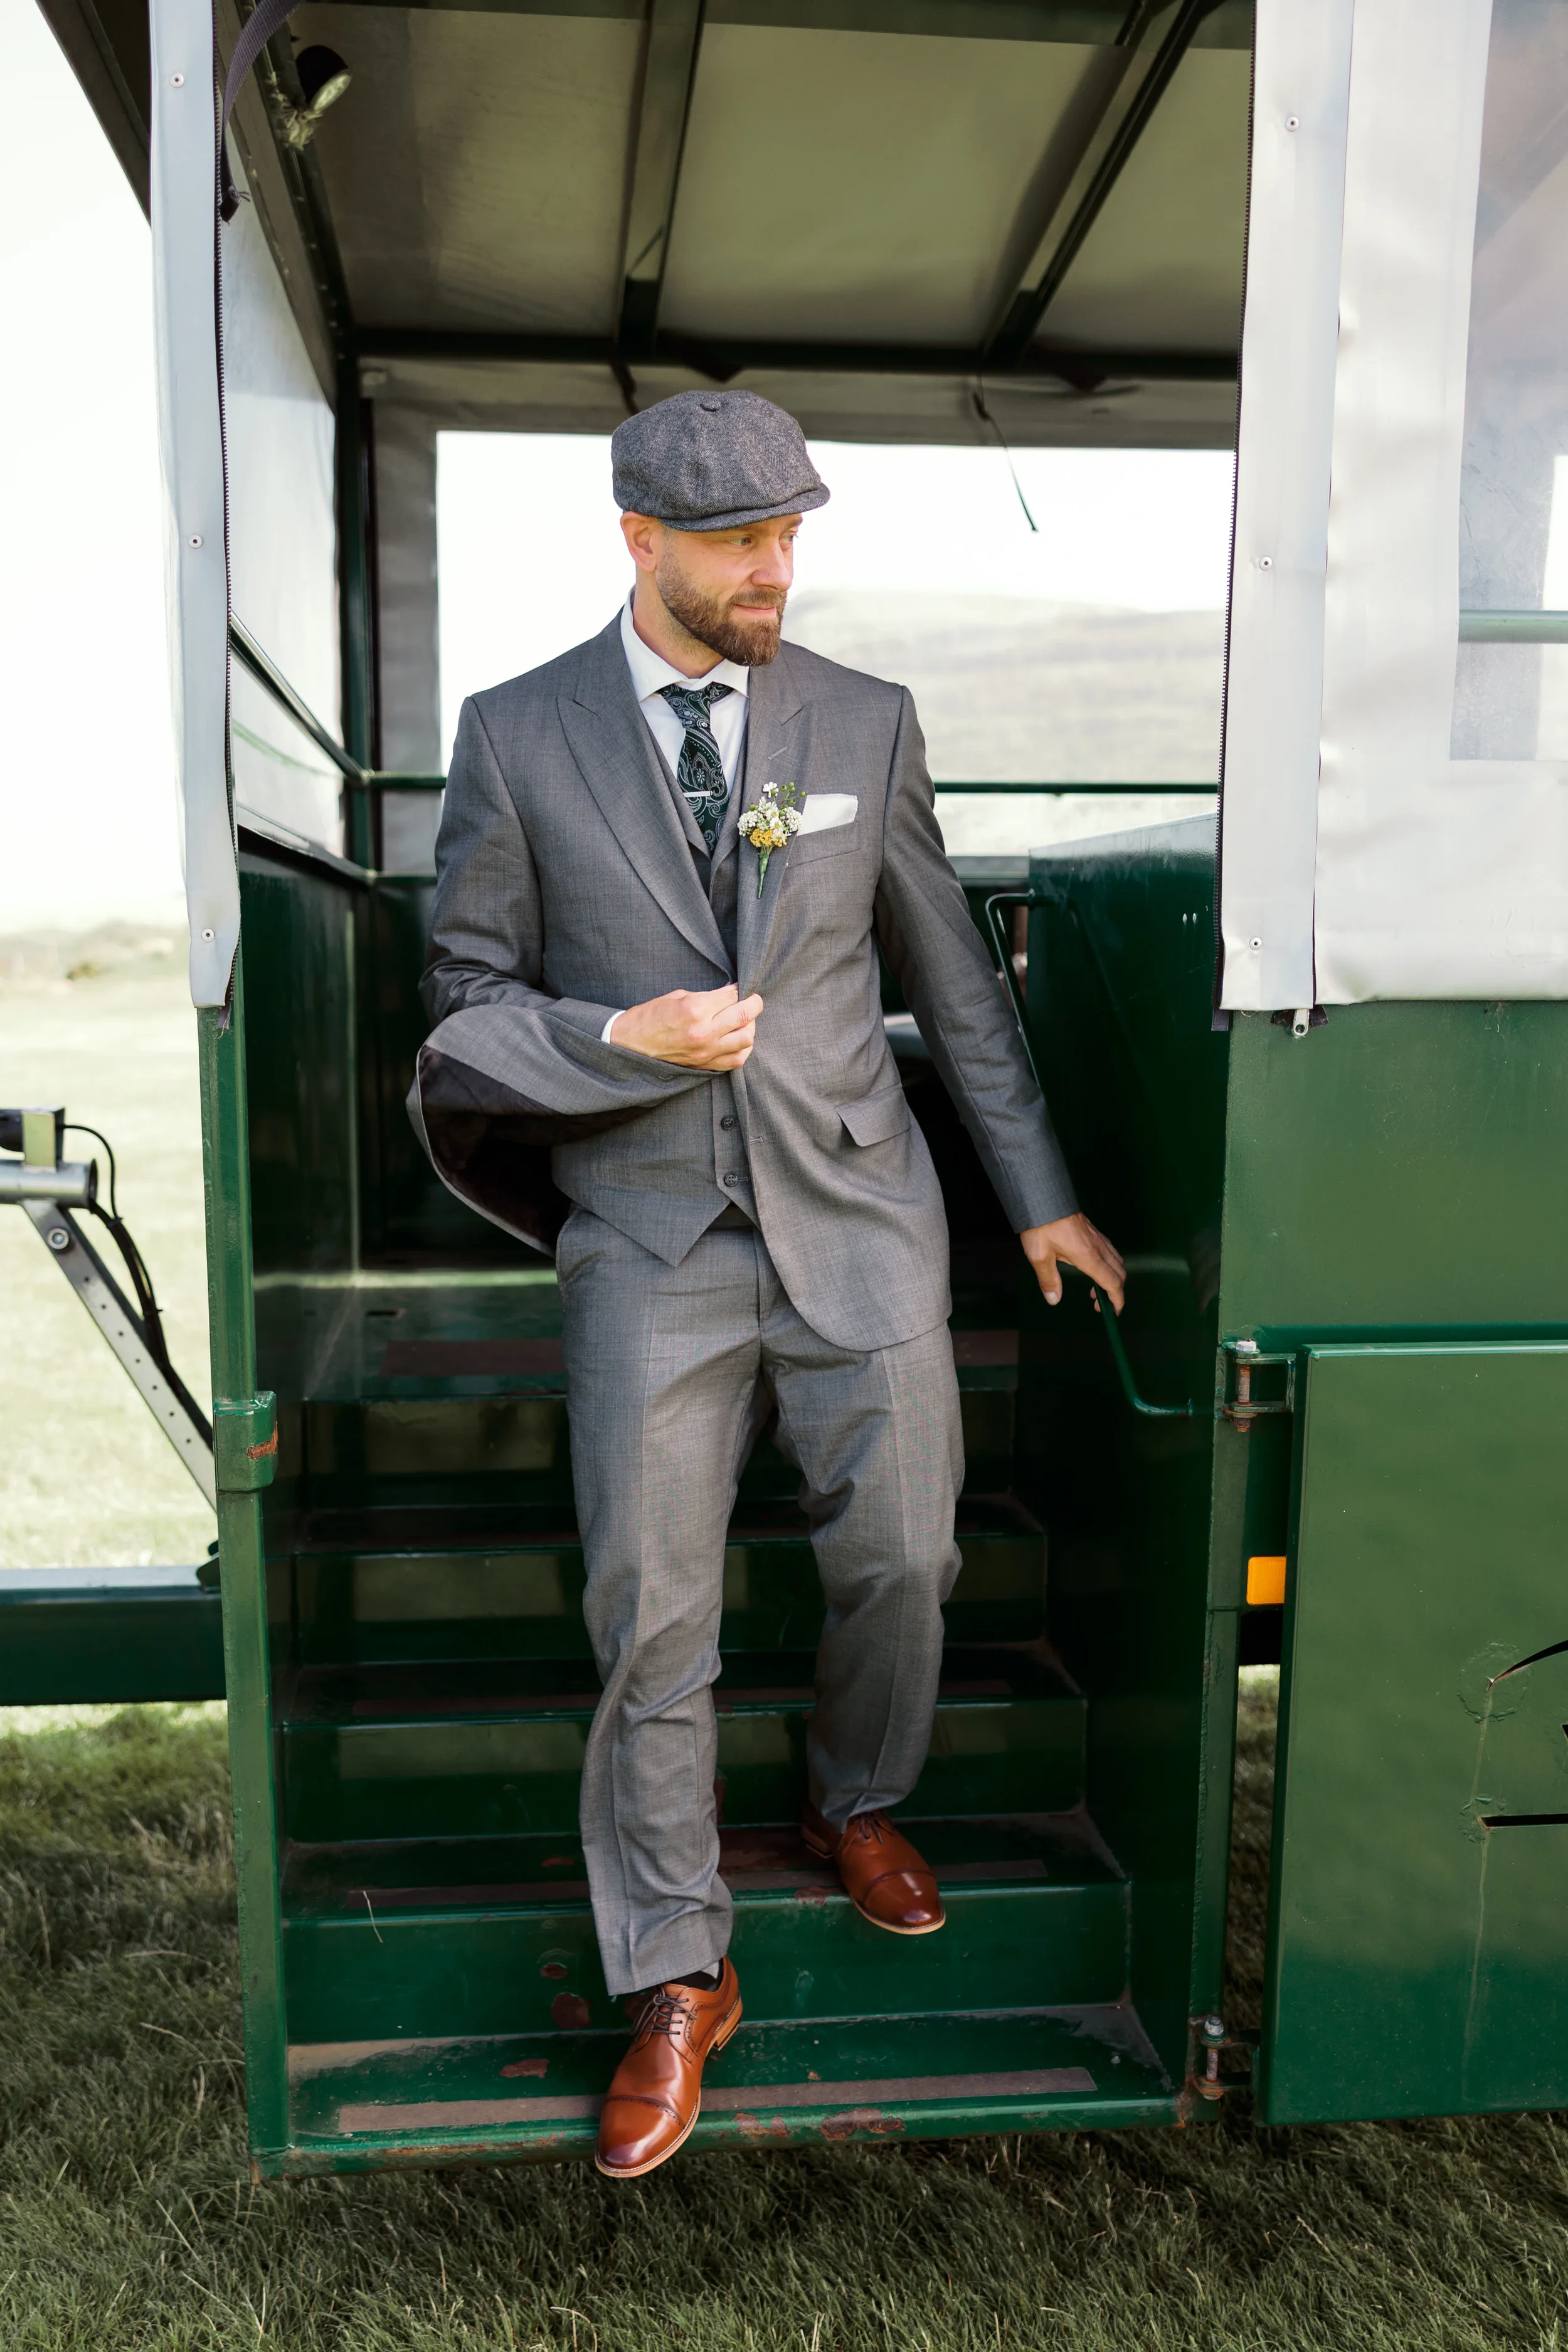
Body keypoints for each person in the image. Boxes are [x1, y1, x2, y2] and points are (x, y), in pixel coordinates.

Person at [411, 388, 1126, 2180]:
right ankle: (675, 1968)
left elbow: (950, 979)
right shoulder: (514, 736)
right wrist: (613, 1035)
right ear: (638, 539)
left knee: (905, 1549)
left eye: (791, 532)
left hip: (862, 1216)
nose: (772, 570)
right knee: (650, 1612)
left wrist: (1036, 1198)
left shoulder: (860, 721)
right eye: (736, 540)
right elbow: (465, 1004)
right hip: (645, 1234)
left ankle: (853, 1795)